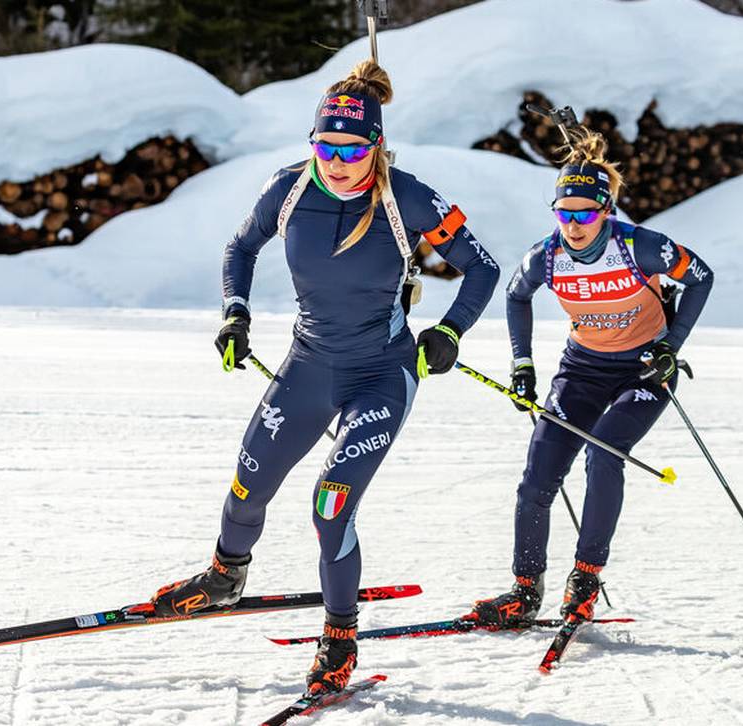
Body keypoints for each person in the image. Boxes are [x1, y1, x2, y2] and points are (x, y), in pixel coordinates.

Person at [149, 59, 500, 694]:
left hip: (380, 373)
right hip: (309, 365)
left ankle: (339, 639)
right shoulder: (286, 190)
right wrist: (236, 313)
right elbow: (240, 247)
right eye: (324, 146)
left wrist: (449, 332)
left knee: (330, 504)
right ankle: (226, 575)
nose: (336, 162)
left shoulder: (407, 196)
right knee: (247, 482)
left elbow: (482, 268)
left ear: (376, 148)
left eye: (351, 148)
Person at [466, 124, 714, 628]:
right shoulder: (546, 256)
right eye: (564, 214)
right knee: (536, 479)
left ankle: (583, 580)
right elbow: (515, 297)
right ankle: (524, 589)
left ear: (606, 212)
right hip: (581, 369)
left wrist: (671, 345)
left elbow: (700, 276)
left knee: (604, 453)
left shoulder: (641, 247)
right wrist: (523, 364)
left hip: (644, 371)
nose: (573, 225)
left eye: (584, 214)